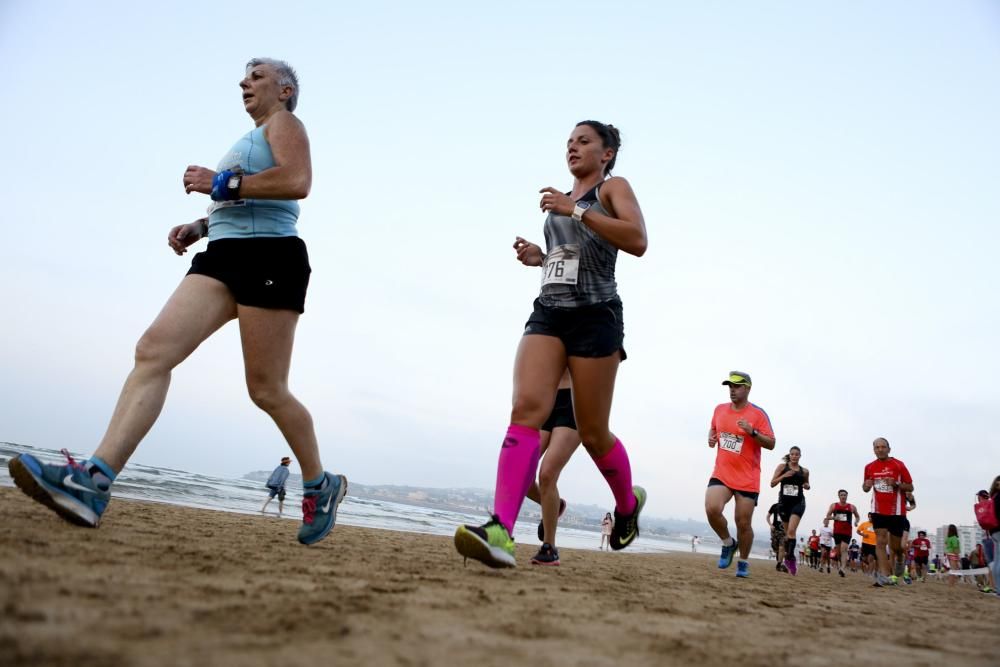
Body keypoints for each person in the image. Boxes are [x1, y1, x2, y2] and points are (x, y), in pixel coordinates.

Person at [7, 58, 346, 546]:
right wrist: (203, 224)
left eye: (256, 76)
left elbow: (297, 182)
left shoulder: (286, 123)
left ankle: (320, 484)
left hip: (271, 258)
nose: (243, 82)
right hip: (223, 255)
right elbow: (247, 198)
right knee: (153, 351)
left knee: (266, 390)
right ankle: (94, 482)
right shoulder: (251, 138)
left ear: (285, 88)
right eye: (244, 77)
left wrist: (221, 182)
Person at [453, 120, 649, 568]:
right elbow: (574, 257)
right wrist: (539, 259)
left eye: (584, 141)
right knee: (524, 410)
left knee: (595, 432)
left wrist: (575, 210)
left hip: (596, 317)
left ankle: (626, 506)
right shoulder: (560, 203)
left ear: (608, 153)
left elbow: (637, 240)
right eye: (569, 143)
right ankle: (500, 531)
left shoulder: (612, 188)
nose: (573, 148)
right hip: (549, 311)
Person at [705, 371, 776, 579]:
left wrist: (752, 432)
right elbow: (713, 429)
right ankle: (728, 543)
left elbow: (771, 443)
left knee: (743, 523)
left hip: (747, 477)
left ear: (748, 388)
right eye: (730, 386)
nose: (732, 390)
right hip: (723, 472)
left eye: (737, 386)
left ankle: (743, 561)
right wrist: (711, 438)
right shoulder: (719, 410)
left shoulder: (758, 414)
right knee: (712, 508)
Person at [524, 370, 580, 566]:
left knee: (547, 474)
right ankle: (553, 506)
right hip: (545, 398)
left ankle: (549, 548)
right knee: (521, 472)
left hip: (575, 399)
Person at [862, 437, 913, 587]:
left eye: (883, 447)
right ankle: (885, 576)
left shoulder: (898, 465)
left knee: (896, 548)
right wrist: (866, 485)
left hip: (896, 511)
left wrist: (896, 484)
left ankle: (899, 560)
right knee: (881, 542)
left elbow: (910, 487)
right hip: (878, 510)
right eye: (877, 447)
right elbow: (865, 488)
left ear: (889, 449)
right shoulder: (869, 467)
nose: (880, 450)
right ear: (874, 450)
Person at [770, 446, 807, 575]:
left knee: (791, 531)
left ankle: (790, 559)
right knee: (787, 535)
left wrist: (807, 485)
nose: (794, 456)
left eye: (797, 454)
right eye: (792, 454)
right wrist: (784, 475)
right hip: (784, 504)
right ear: (789, 455)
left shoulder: (804, 471)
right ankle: (788, 557)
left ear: (800, 456)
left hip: (798, 503)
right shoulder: (782, 467)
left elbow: (806, 484)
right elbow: (772, 483)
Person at [825, 489, 861, 577]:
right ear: (839, 496)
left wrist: (856, 522)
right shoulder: (834, 506)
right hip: (837, 531)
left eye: (845, 495)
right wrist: (835, 518)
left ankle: (843, 569)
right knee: (839, 553)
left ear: (847, 496)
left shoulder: (852, 507)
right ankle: (841, 565)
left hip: (847, 532)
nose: (843, 496)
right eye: (841, 495)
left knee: (844, 550)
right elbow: (828, 516)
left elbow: (857, 516)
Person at [980, 480, 1000, 598]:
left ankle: (997, 589)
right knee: (997, 561)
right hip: (997, 531)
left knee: (996, 561)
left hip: (993, 532)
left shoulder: (993, 498)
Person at [766, 501, 786, 571]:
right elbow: (768, 516)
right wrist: (770, 525)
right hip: (774, 530)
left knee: (781, 548)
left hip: (784, 531)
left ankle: (779, 564)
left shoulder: (789, 507)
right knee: (775, 548)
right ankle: (779, 558)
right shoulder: (774, 506)